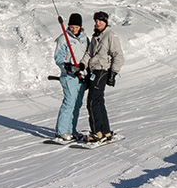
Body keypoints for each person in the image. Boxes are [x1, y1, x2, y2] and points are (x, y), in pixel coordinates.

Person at [80, 11, 124, 142]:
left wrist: (113, 73)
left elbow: (118, 56)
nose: (98, 23)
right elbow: (89, 53)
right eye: (96, 21)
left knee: (92, 102)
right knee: (98, 102)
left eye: (101, 21)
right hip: (94, 71)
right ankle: (105, 131)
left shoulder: (111, 36)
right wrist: (82, 64)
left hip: (102, 70)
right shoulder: (96, 36)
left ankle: (96, 132)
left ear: (106, 22)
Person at [53, 13, 89, 142]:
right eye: (72, 26)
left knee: (77, 104)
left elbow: (88, 55)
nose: (74, 29)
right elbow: (58, 58)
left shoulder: (85, 38)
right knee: (69, 102)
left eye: (76, 27)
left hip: (81, 75)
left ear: (81, 27)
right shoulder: (63, 38)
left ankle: (72, 130)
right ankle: (61, 131)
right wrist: (67, 67)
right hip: (69, 76)